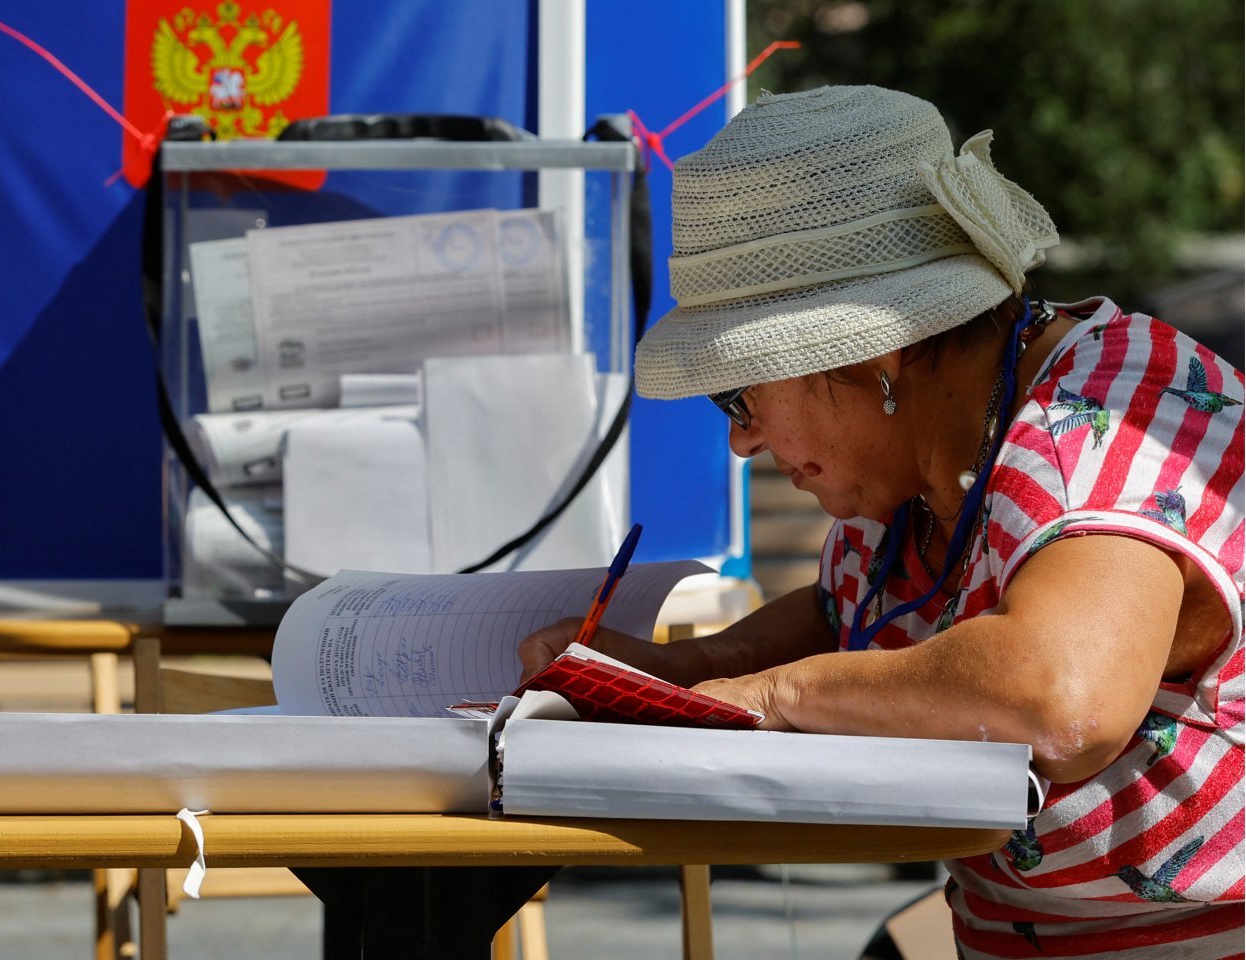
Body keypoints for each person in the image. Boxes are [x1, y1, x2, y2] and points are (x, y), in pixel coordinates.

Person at [520, 86, 1242, 958]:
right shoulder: (914, 461)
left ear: (872, 355)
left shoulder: (1106, 420)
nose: (743, 438)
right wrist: (685, 672)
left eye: (739, 393)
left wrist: (776, 696)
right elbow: (853, 620)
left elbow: (1060, 697)